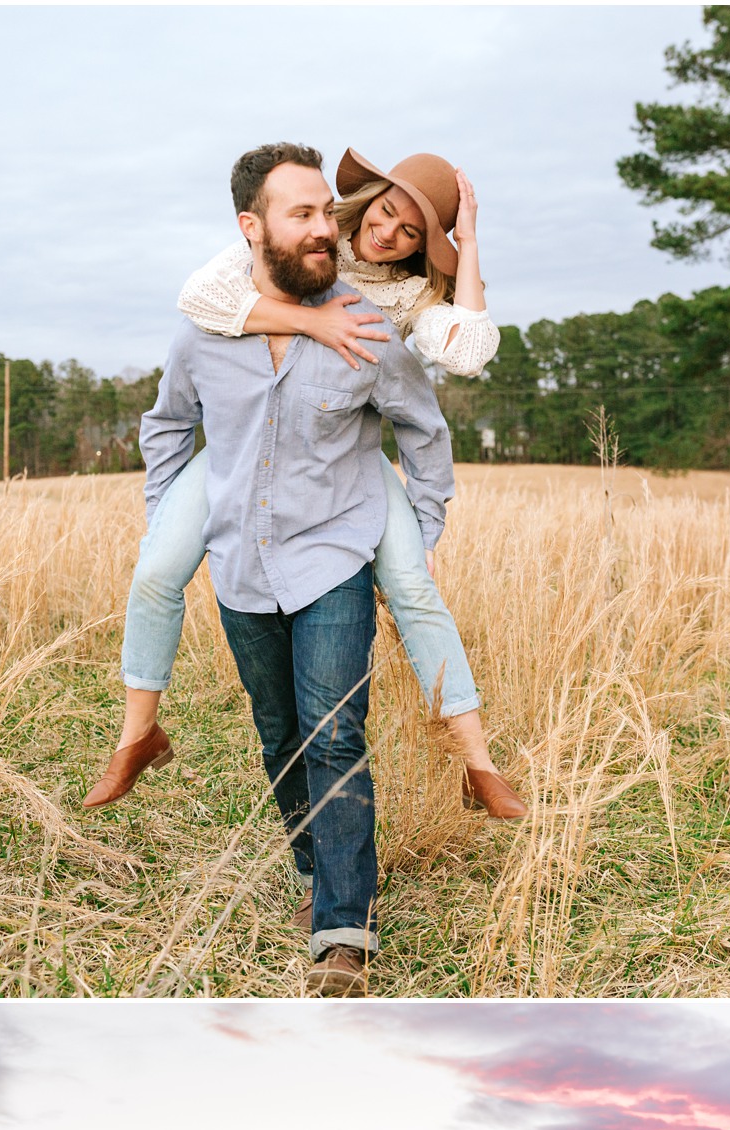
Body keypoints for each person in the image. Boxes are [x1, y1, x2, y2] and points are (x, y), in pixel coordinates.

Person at [81, 142, 527, 824]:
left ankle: (477, 763)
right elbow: (199, 298)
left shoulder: (409, 295)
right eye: (385, 213)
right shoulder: (317, 243)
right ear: (365, 202)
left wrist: (466, 245)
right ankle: (137, 734)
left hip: (340, 451)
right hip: (247, 448)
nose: (388, 233)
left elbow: (465, 351)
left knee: (412, 584)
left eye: (411, 232)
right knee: (155, 568)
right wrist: (311, 318)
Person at [125, 143, 462, 996]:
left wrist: (418, 533)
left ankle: (343, 932)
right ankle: (319, 868)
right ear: (253, 228)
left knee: (334, 735)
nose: (328, 230)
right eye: (302, 215)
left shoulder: (371, 326)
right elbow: (167, 425)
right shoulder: (205, 332)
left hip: (335, 557)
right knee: (279, 736)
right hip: (242, 560)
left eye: (325, 212)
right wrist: (170, 512)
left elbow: (424, 431)